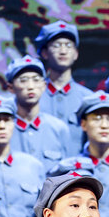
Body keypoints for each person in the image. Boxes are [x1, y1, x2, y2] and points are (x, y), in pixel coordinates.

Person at [34, 20, 93, 155]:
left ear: (76, 54)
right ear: (44, 53)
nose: (63, 51)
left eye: (68, 45)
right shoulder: (33, 97)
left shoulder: (87, 98)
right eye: (56, 45)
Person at [6, 56, 72, 173]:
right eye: (23, 80)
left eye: (36, 80)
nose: (31, 86)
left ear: (44, 85)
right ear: (11, 87)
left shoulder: (58, 128)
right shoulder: (4, 130)